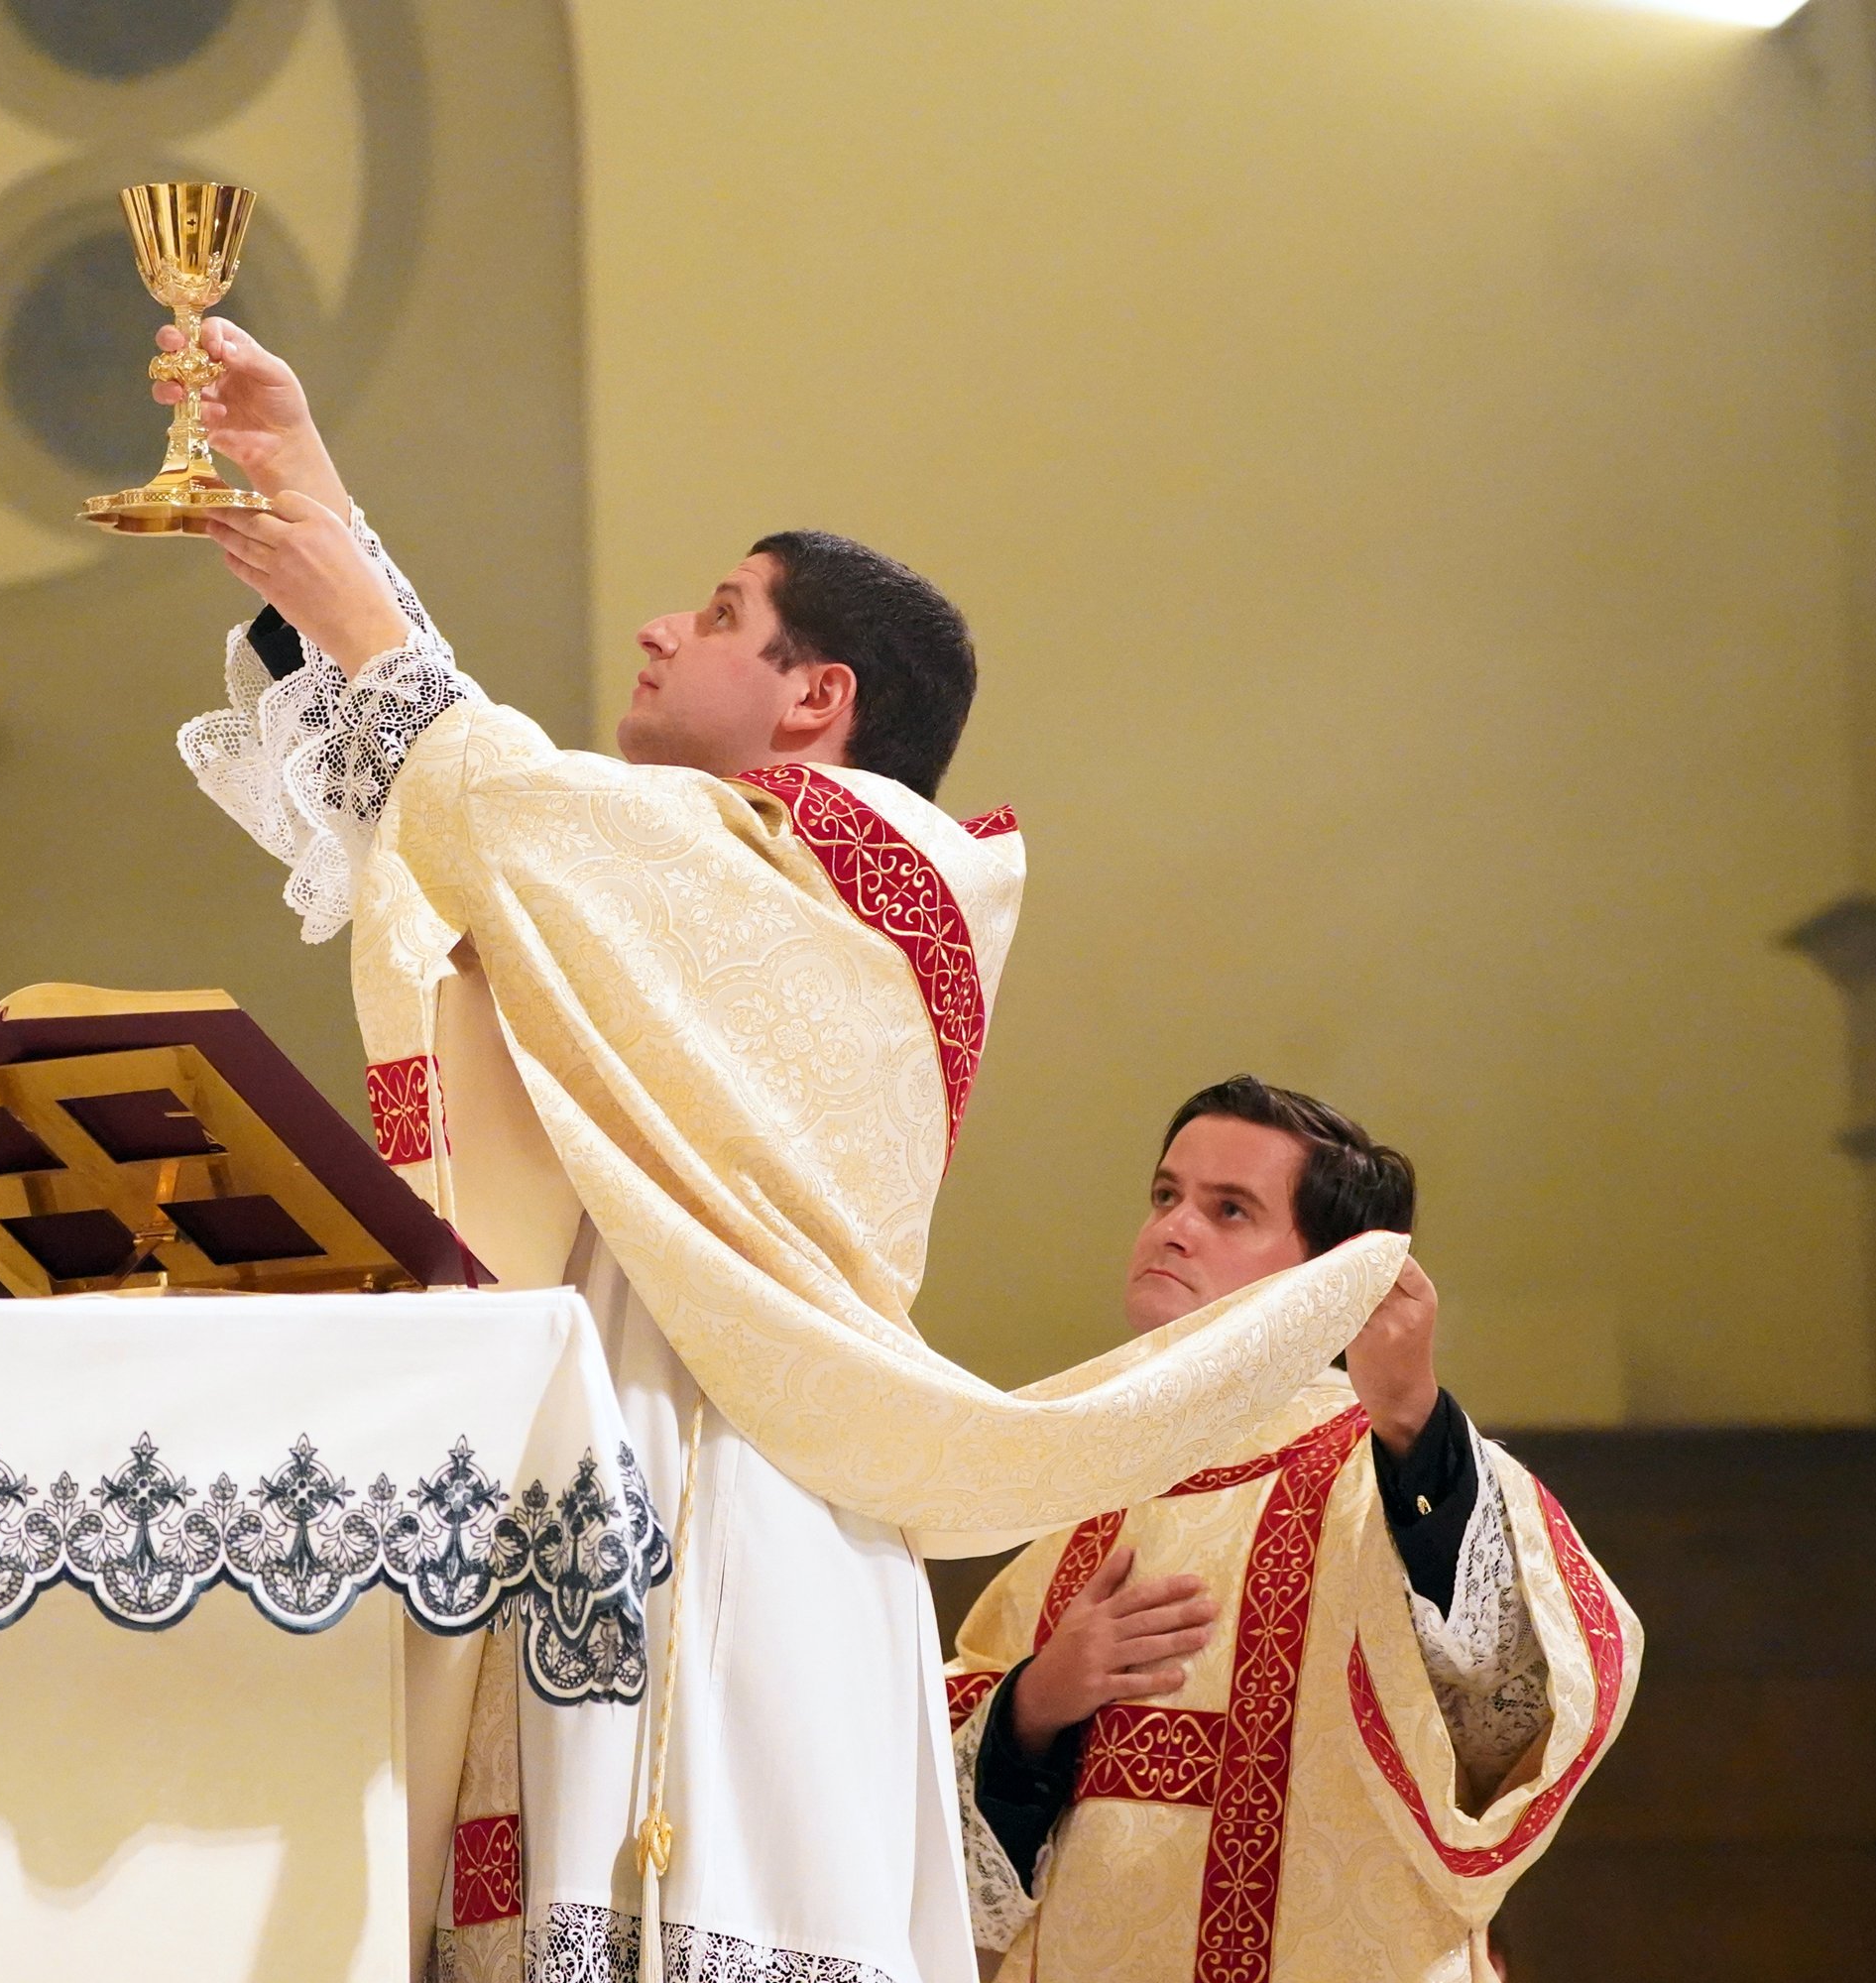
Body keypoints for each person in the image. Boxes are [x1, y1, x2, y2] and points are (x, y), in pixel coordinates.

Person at [162, 319, 1411, 1983]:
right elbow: (506, 832)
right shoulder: (716, 868)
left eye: (725, 613)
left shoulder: (879, 878)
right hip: (611, 1442)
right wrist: (306, 479)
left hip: (740, 1484)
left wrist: (355, 593)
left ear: (822, 697)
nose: (663, 626)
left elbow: (516, 820)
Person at [947, 1079, 1642, 1982]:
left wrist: (1410, 1424)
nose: (1173, 1227)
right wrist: (1036, 1704)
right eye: (1166, 1195)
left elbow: (1513, 1708)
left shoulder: (1399, 1474)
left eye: (1229, 1209)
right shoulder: (1086, 1498)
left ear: (1331, 1275)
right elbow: (943, 1834)